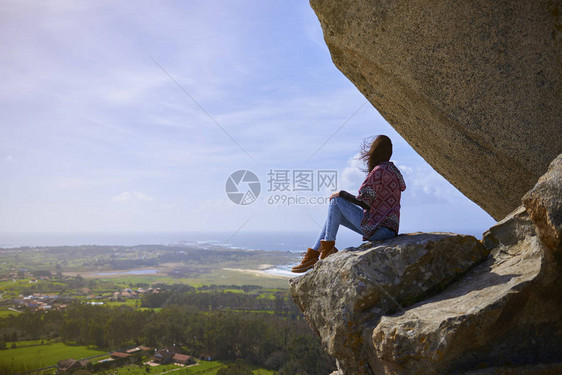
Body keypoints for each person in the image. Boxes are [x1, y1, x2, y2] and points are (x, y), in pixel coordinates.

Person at [292, 135, 406, 273]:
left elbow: (364, 201)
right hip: (390, 231)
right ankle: (314, 253)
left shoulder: (379, 171)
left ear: (375, 151)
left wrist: (341, 194)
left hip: (378, 230)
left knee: (336, 202)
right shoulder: (394, 172)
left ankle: (324, 250)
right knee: (333, 215)